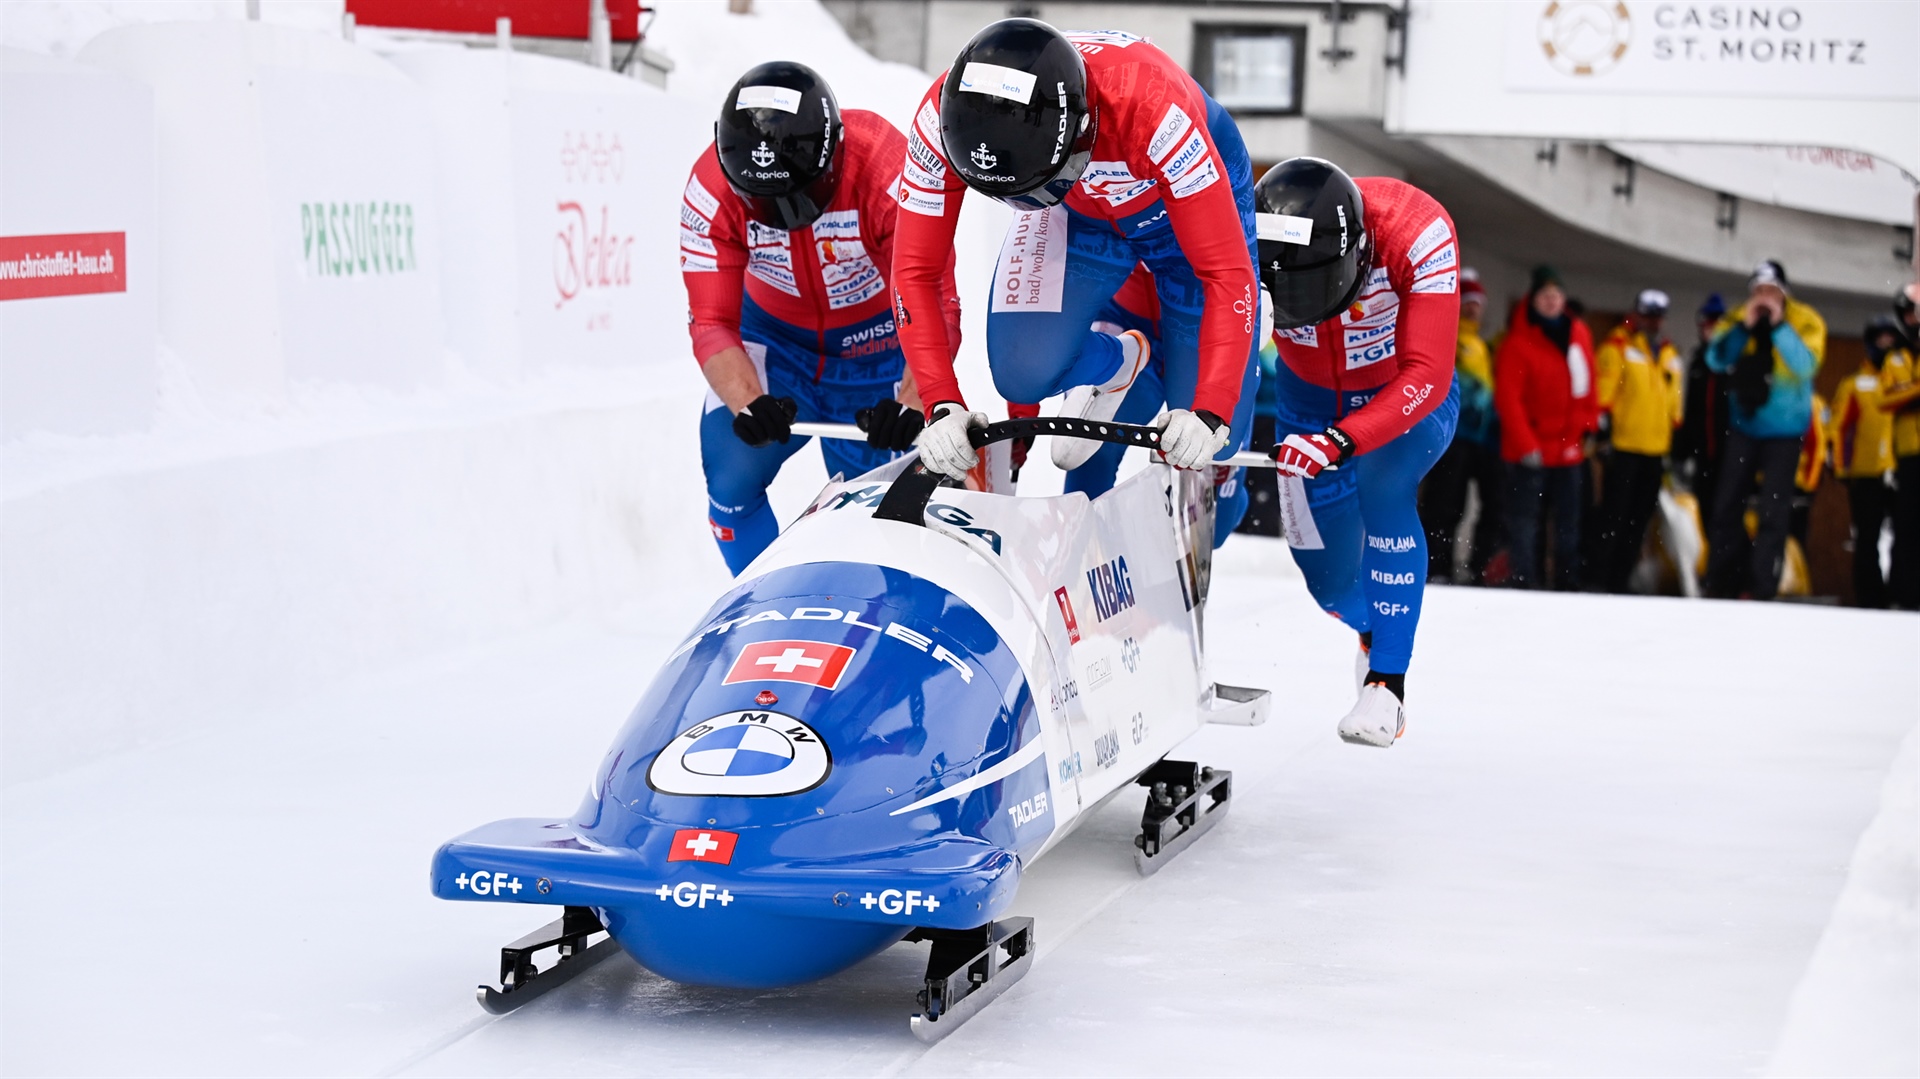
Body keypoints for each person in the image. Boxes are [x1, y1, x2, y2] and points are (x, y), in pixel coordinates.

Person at [891, 19, 1261, 546]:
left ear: (1082, 129)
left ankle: (1235, 334)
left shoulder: (1154, 111)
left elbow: (1224, 272)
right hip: (1075, 210)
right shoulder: (941, 121)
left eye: (1031, 189)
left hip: (1178, 217)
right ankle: (1120, 363)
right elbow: (914, 272)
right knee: (1021, 374)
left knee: (1212, 439)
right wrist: (941, 402)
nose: (1018, 205)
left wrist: (1212, 406)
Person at [680, 62, 959, 574]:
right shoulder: (709, 191)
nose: (787, 216)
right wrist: (747, 401)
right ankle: (760, 602)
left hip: (877, 353)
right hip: (775, 348)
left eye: (802, 195)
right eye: (763, 203)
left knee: (893, 508)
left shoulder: (887, 167)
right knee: (730, 483)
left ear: (837, 153)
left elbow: (936, 299)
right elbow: (711, 321)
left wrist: (914, 399)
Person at [1256, 158, 1462, 748]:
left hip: (1406, 396)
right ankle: (1372, 630)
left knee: (1382, 483)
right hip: (1307, 403)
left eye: (1313, 287)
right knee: (1327, 582)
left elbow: (1428, 373)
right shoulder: (1246, 228)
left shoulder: (1418, 232)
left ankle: (1387, 685)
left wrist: (1343, 439)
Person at [1702, 260, 1826, 601]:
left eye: (1771, 291)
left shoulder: (1806, 320)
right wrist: (1743, 328)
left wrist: (1779, 325)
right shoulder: (1737, 317)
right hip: (1744, 425)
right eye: (1759, 291)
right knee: (1727, 505)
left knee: (1773, 510)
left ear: (1784, 293)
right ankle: (1720, 580)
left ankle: (1762, 586)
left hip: (1785, 430)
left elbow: (1807, 365)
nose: (1765, 297)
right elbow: (1715, 359)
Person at [1494, 265, 1598, 591]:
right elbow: (1508, 399)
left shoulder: (1579, 333)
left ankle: (1567, 583)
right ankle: (1525, 582)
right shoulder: (1518, 342)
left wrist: (1589, 425)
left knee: (1569, 522)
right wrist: (1527, 445)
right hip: (1531, 452)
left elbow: (1588, 384)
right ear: (1533, 299)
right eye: (1545, 295)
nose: (1552, 301)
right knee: (1526, 523)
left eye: (1556, 295)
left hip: (1569, 450)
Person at [1592, 289, 1685, 593]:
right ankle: (1600, 579)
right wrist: (1604, 438)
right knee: (1613, 516)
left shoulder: (1670, 355)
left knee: (1639, 521)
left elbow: (1675, 406)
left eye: (1658, 317)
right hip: (1624, 447)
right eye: (1647, 316)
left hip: (1655, 451)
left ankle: (1621, 581)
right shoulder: (1618, 347)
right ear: (1636, 315)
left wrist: (1675, 445)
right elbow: (1603, 396)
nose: (1653, 322)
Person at [1418, 267, 1503, 584]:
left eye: (1477, 304)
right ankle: (1435, 567)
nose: (1473, 309)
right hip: (1450, 435)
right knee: (1444, 503)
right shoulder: (1447, 336)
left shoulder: (1481, 344)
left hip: (1479, 439)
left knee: (1484, 505)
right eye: (1468, 302)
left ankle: (1476, 568)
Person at [1831, 317, 1913, 607]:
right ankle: (1870, 599)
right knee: (1867, 538)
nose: (1887, 346)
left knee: (1906, 534)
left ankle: (1902, 594)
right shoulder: (1855, 384)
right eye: (1881, 340)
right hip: (1867, 472)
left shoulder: (1907, 379)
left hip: (1902, 468)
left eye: (1892, 340)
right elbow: (1839, 427)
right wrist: (1841, 466)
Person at [1671, 294, 1730, 505]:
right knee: (1701, 502)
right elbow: (1691, 407)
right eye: (1707, 326)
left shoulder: (1735, 361)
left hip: (1729, 451)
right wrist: (1681, 451)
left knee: (1725, 506)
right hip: (1702, 450)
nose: (1710, 332)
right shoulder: (1697, 362)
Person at [1883, 284, 1920, 607]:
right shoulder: (1895, 358)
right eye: (1909, 314)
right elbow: (1886, 398)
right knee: (1906, 524)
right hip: (1907, 454)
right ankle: (1903, 595)